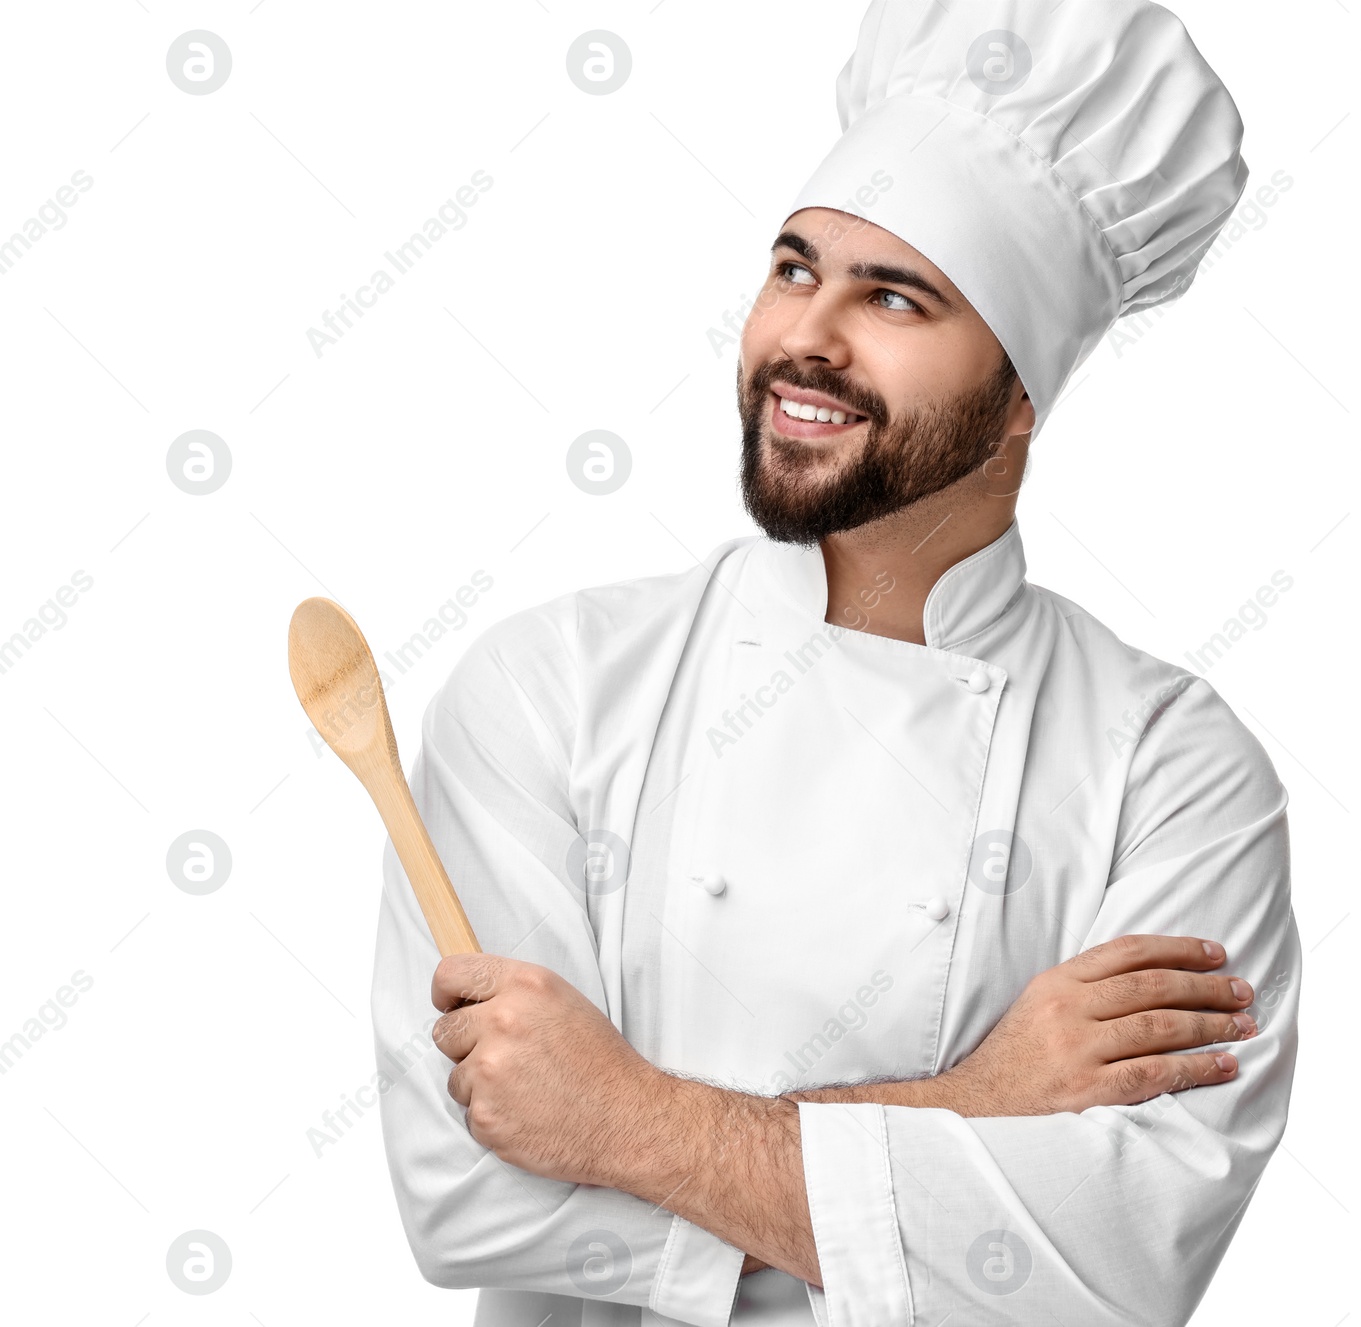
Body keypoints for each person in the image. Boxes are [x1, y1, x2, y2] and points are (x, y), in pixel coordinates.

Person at [371, 2, 1301, 1324]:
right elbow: (472, 1195)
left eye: (896, 296)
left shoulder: (1173, 767)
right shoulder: (551, 689)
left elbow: (1119, 1261)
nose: (808, 334)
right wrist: (978, 1108)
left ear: (1023, 389)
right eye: (796, 268)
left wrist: (623, 1119)